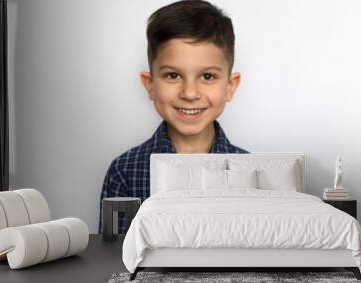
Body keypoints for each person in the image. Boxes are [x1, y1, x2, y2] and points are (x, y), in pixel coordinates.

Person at [98, 0, 249, 234]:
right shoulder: (124, 171)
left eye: (207, 76)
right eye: (173, 75)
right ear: (150, 85)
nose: (189, 93)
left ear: (230, 86)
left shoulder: (250, 169)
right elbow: (114, 259)